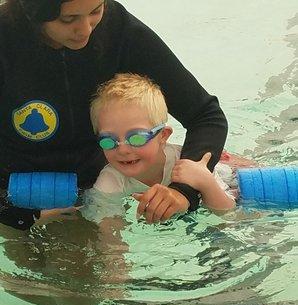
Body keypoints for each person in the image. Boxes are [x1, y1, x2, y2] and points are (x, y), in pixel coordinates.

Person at [0, 0, 228, 231]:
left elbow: (205, 116)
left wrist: (183, 190)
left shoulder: (118, 30)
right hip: (17, 189)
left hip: (102, 185)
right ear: (33, 13)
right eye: (69, 19)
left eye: (95, 11)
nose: (86, 30)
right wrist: (16, 214)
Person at [83, 73, 239, 224]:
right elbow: (108, 231)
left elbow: (227, 214)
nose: (123, 150)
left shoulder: (186, 164)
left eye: (136, 138)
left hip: (226, 176)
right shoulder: (110, 180)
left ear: (163, 136)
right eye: (108, 141)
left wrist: (206, 182)